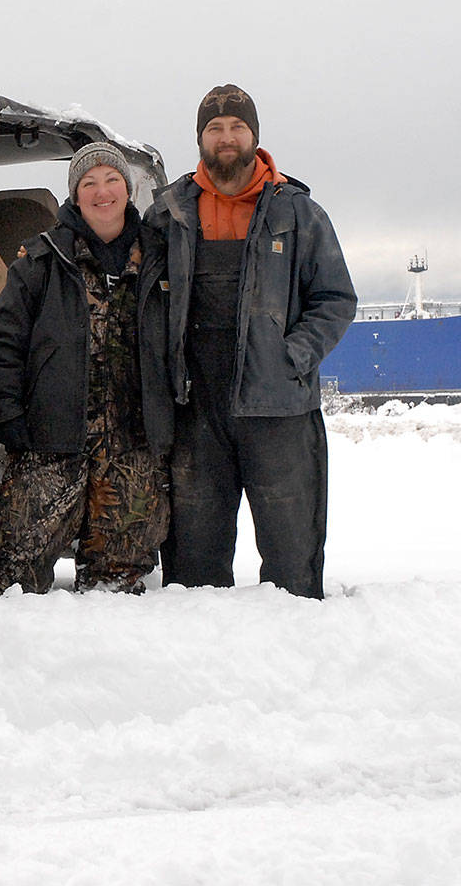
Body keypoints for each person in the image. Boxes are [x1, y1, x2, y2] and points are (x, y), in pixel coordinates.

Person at [145, 85, 356, 599]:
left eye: (237, 127)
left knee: (292, 565)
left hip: (278, 407)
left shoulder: (299, 214)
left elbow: (335, 299)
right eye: (214, 128)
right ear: (200, 138)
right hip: (196, 409)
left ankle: (296, 666)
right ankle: (205, 667)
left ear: (254, 135)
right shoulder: (168, 214)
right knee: (193, 566)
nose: (226, 137)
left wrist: (293, 356)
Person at [0, 142, 171, 594]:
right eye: (89, 183)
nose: (101, 191)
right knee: (13, 577)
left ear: (127, 189)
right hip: (51, 440)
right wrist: (10, 414)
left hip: (133, 444)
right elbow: (5, 344)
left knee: (119, 583)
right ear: (74, 195)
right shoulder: (42, 260)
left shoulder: (162, 258)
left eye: (111, 180)